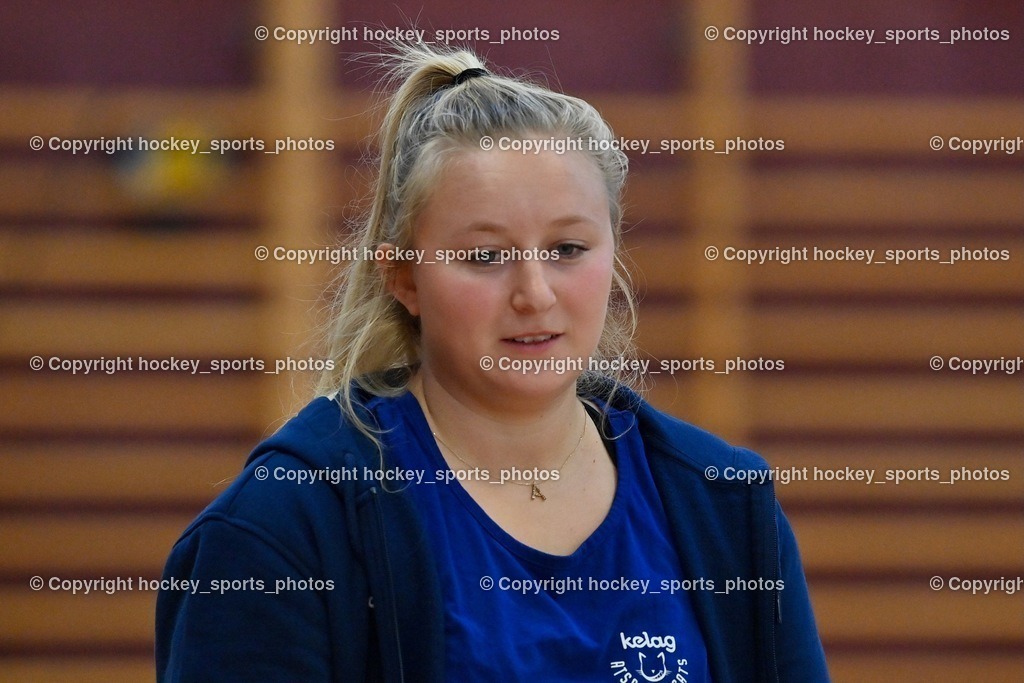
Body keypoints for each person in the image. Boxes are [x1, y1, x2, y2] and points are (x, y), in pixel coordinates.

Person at [156, 43, 830, 682]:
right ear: (404, 278)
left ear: (613, 254)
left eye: (567, 249)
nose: (534, 294)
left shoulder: (727, 507)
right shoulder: (279, 530)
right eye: (484, 256)